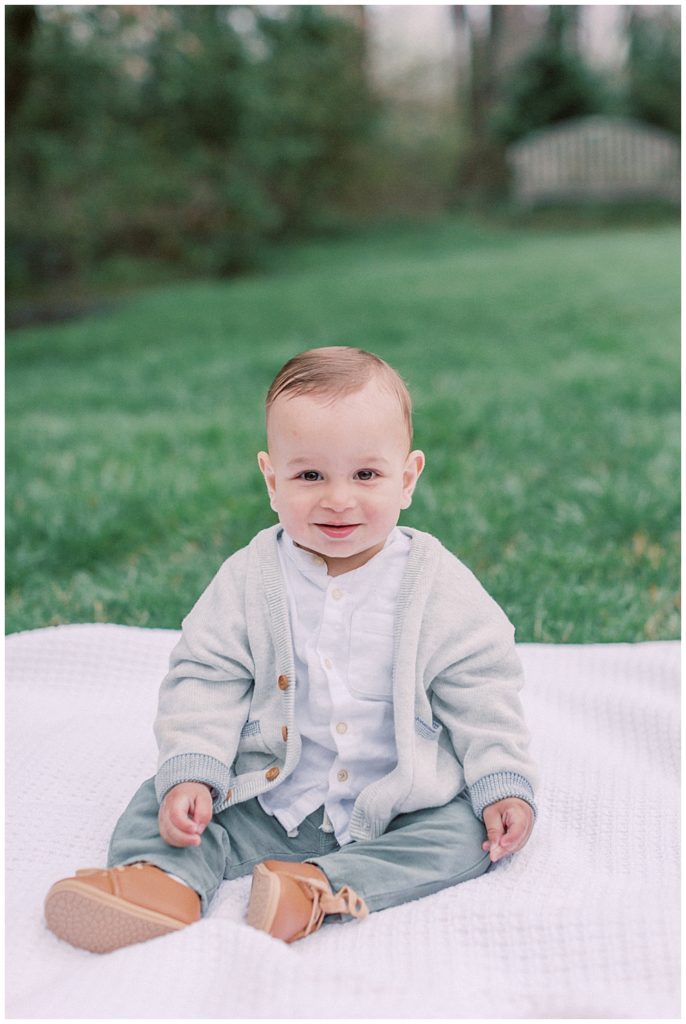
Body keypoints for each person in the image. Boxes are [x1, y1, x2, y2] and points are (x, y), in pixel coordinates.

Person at [44, 346, 538, 954]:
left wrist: (501, 780)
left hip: (395, 799)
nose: (337, 498)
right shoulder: (251, 578)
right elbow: (207, 675)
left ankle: (316, 887)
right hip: (268, 793)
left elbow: (481, 686)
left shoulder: (437, 585)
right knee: (166, 795)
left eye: (365, 475)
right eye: (309, 476)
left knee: (466, 832)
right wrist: (195, 768)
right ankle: (164, 883)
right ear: (271, 478)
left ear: (407, 478)